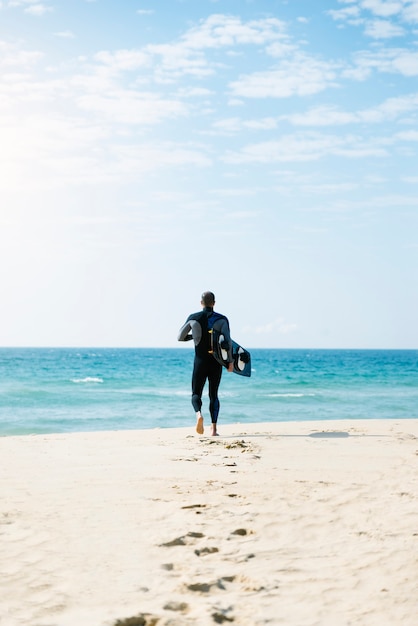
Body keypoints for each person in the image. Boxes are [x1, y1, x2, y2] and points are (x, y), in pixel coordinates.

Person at [178, 291, 234, 436]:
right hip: (216, 362)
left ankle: (198, 415)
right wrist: (230, 362)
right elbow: (227, 342)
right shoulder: (222, 319)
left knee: (196, 393)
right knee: (213, 395)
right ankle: (214, 430)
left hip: (200, 362)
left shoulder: (193, 318)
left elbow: (180, 337)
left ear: (201, 302)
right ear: (214, 303)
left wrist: (195, 336)